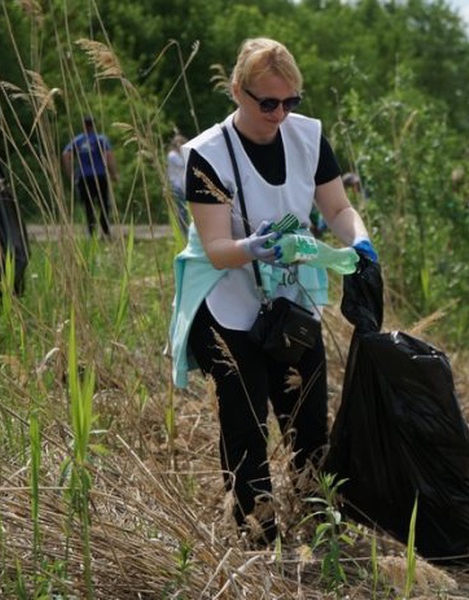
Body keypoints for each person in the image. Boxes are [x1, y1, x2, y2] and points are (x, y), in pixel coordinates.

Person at [168, 38, 377, 545]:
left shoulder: (308, 137)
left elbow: (337, 209)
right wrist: (254, 248)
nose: (280, 114)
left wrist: (362, 243)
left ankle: (320, 530)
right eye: (267, 103)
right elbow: (216, 246)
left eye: (290, 102)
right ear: (238, 92)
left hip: (289, 300)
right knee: (245, 426)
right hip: (228, 300)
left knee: (308, 421)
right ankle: (258, 539)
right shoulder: (206, 155)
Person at [61, 115, 118, 238]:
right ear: (94, 125)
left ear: (84, 125)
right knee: (104, 203)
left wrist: (70, 174)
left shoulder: (78, 140)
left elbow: (65, 155)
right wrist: (113, 173)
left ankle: (91, 232)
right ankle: (105, 230)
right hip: (100, 175)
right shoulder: (101, 139)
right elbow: (109, 156)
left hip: (84, 177)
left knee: (88, 205)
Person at [166, 133, 189, 235]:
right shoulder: (172, 155)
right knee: (182, 209)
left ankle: (184, 229)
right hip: (176, 185)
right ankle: (183, 231)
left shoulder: (180, 155)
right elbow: (182, 163)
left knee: (184, 209)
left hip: (182, 186)